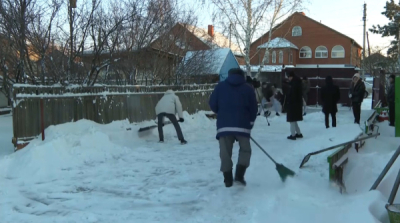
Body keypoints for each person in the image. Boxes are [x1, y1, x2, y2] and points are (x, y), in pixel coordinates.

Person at [209, 68, 258, 187]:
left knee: (225, 152)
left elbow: (212, 104)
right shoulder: (248, 88)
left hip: (224, 125)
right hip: (243, 125)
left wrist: (221, 112)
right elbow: (253, 108)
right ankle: (239, 175)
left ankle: (228, 180)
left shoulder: (220, 87)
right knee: (245, 150)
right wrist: (250, 123)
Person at [286, 71, 304, 140]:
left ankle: (293, 135)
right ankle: (298, 133)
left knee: (292, 120)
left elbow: (293, 95)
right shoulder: (297, 82)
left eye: (289, 77)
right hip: (297, 104)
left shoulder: (294, 84)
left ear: (291, 77)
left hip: (293, 104)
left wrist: (289, 102)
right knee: (294, 120)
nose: (288, 78)